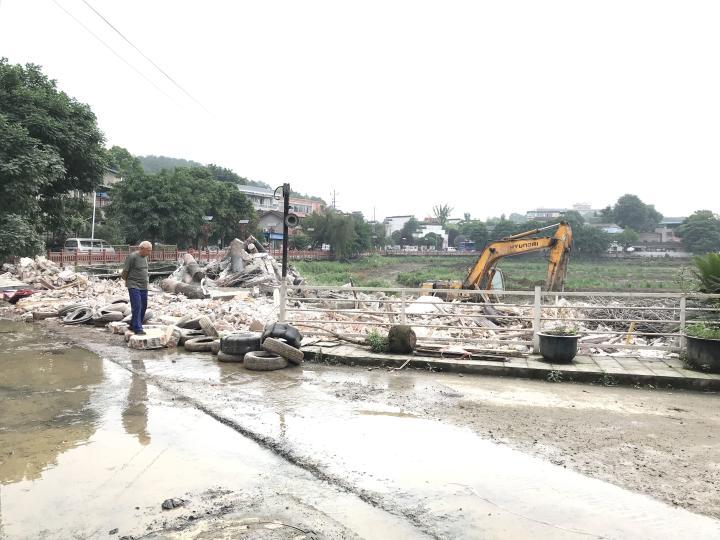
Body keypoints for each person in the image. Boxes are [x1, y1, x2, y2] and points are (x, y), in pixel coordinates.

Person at [121, 241, 152, 335]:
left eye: (150, 251)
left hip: (144, 286)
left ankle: (133, 324)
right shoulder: (132, 257)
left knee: (144, 305)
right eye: (148, 250)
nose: (149, 253)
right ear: (141, 248)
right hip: (133, 285)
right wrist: (128, 281)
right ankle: (138, 328)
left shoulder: (145, 257)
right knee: (137, 306)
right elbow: (125, 271)